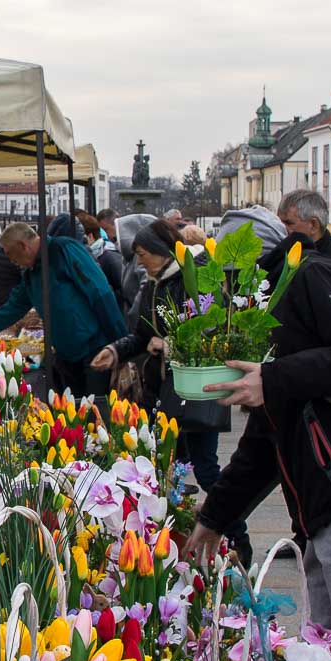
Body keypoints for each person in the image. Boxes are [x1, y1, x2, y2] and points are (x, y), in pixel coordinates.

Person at [185, 223, 331, 660]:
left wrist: (273, 379)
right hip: (319, 508)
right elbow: (263, 438)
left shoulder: (310, 275)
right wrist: (216, 515)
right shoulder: (263, 304)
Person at [90, 219, 252, 564]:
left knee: (206, 469)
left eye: (144, 254)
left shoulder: (194, 279)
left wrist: (169, 345)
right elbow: (141, 335)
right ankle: (172, 540)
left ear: (164, 252)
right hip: (163, 392)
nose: (141, 262)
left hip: (197, 392)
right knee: (166, 469)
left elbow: (213, 335)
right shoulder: (154, 285)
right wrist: (116, 351)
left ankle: (238, 535)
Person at [0, 217, 127, 398]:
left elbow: (100, 293)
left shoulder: (64, 250)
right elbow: (13, 308)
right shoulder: (31, 273)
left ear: (23, 246)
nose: (10, 260)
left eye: (10, 253)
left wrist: (121, 345)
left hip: (94, 350)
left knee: (95, 411)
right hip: (67, 356)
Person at [76, 209, 129, 312]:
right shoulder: (101, 254)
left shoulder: (108, 256)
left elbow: (123, 291)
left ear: (90, 236)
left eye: (106, 229)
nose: (107, 235)